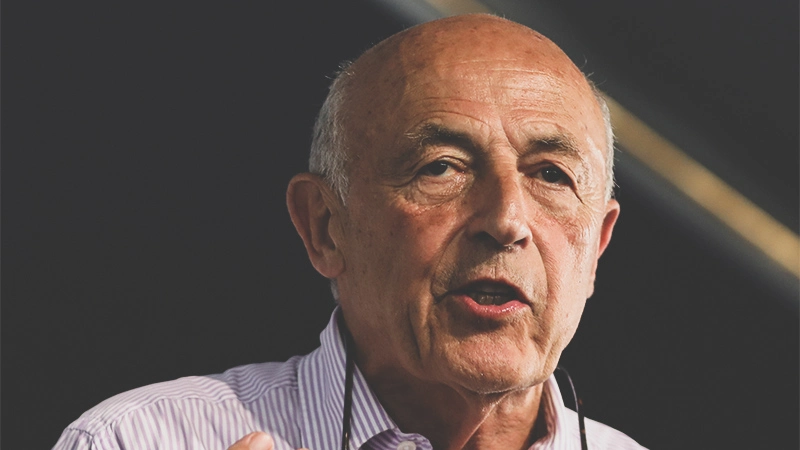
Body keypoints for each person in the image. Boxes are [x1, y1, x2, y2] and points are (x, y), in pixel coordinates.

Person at [54, 14, 645, 450]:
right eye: (441, 168)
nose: (507, 221)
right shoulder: (134, 440)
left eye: (552, 175)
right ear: (324, 227)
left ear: (597, 246)